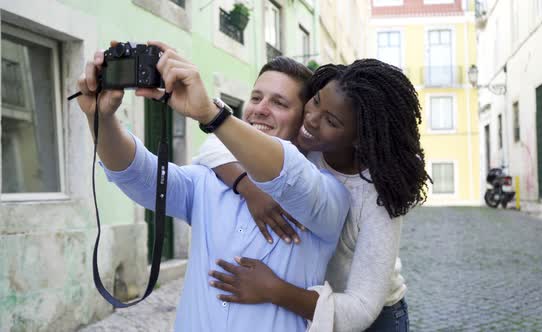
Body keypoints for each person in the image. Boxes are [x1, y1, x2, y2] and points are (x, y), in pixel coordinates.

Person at [75, 42, 351, 332]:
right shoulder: (208, 180)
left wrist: (212, 115)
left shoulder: (329, 195)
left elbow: (290, 173)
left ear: (304, 121)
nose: (261, 110)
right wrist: (102, 119)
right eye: (256, 98)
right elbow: (136, 173)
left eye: (279, 103)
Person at [203, 59, 430, 332]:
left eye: (331, 121)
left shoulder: (376, 196)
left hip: (374, 321)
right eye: (316, 101)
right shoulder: (303, 142)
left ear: (360, 137)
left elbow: (361, 308)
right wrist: (249, 188)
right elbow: (215, 143)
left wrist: (273, 289)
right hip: (306, 308)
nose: (311, 118)